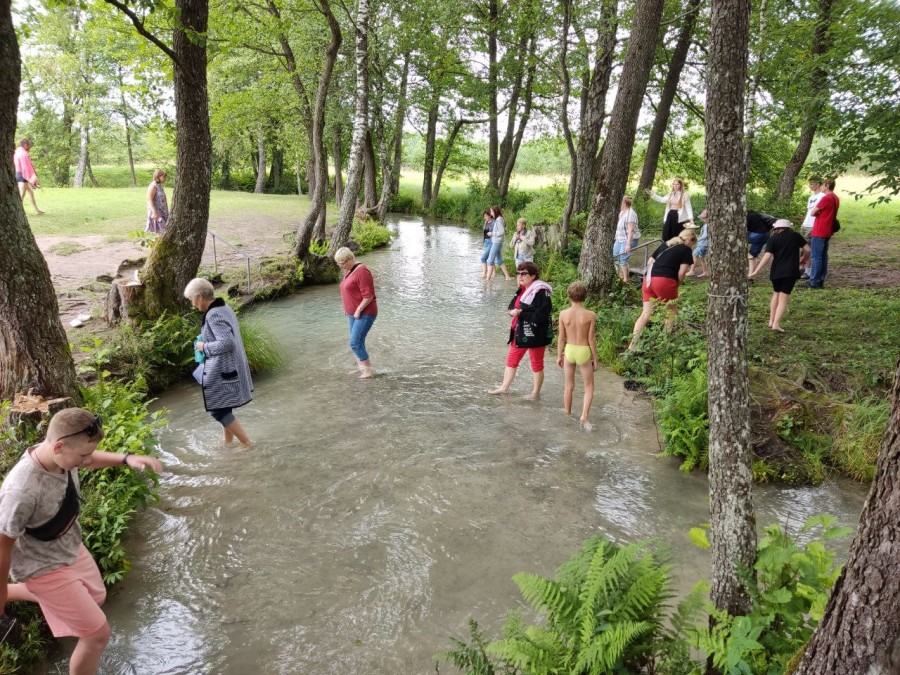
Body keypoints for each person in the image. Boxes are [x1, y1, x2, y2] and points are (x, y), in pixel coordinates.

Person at [0, 408, 163, 675]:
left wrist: (127, 458)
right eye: (83, 455)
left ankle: (25, 592)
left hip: (69, 545)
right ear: (59, 445)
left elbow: (89, 458)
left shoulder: (60, 453)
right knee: (97, 634)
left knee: (96, 597)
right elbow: (2, 548)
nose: (87, 461)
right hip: (41, 565)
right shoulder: (20, 491)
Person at [184, 278, 254, 445]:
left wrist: (203, 346)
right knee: (224, 407)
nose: (192, 305)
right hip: (230, 367)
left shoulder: (213, 314)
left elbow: (227, 343)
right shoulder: (224, 307)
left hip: (224, 369)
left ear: (199, 297)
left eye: (192, 300)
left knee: (218, 411)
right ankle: (227, 444)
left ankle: (247, 443)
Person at [489, 261, 553, 399]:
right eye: (518, 273)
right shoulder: (522, 289)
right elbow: (512, 305)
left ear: (533, 276)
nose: (520, 276)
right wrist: (511, 311)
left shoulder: (541, 292)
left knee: (536, 363)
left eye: (524, 274)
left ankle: (535, 393)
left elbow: (541, 315)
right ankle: (504, 387)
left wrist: (520, 313)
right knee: (512, 359)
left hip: (536, 333)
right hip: (519, 331)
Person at [628, 229, 697, 350]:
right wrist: (676, 284)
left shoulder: (666, 244)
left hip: (648, 280)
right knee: (671, 311)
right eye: (693, 243)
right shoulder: (686, 250)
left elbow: (649, 262)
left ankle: (631, 346)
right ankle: (664, 344)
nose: (692, 246)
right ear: (690, 240)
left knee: (645, 314)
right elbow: (681, 273)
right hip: (664, 280)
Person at [748, 219, 810, 332]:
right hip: (790, 272)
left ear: (776, 228)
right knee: (783, 298)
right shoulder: (795, 236)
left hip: (776, 271)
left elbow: (767, 257)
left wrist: (756, 271)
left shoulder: (772, 239)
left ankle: (771, 321)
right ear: (788, 228)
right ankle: (776, 324)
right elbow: (807, 249)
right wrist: (804, 258)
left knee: (776, 294)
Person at [557, 281, 598, 429]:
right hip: (583, 350)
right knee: (589, 386)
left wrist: (559, 355)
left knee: (568, 386)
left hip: (569, 350)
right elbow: (591, 338)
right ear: (585, 296)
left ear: (568, 296)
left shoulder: (563, 314)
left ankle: (567, 412)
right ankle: (584, 416)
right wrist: (595, 357)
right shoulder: (590, 315)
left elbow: (561, 338)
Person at [334, 247, 378, 378]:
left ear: (350, 259)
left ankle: (368, 371)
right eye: (338, 263)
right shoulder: (348, 270)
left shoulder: (362, 272)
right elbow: (347, 290)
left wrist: (358, 310)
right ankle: (362, 368)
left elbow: (368, 296)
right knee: (359, 341)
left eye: (342, 263)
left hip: (365, 313)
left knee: (354, 343)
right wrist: (346, 308)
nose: (340, 266)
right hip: (352, 313)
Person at [808, 178, 839, 289]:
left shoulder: (826, 198)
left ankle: (814, 281)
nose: (820, 186)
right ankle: (820, 279)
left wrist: (817, 212)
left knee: (816, 257)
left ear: (827, 185)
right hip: (827, 230)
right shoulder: (835, 197)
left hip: (819, 230)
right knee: (823, 256)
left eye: (822, 185)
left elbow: (812, 212)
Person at [613, 196, 641, 284]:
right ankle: (622, 275)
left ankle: (625, 280)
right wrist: (616, 237)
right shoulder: (622, 213)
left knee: (623, 258)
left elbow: (631, 230)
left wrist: (628, 244)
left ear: (624, 203)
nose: (619, 204)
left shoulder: (631, 214)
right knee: (615, 255)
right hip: (620, 239)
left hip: (629, 240)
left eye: (620, 202)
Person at [800, 178, 823, 279]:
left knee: (808, 249)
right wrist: (803, 222)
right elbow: (809, 211)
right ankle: (802, 268)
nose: (810, 186)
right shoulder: (811, 197)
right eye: (809, 184)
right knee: (802, 248)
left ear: (818, 184)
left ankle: (808, 271)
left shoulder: (822, 196)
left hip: (813, 225)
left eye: (812, 184)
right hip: (805, 225)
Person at [13, 139, 43, 215]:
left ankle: (37, 210)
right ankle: (18, 213)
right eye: (30, 145)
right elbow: (26, 168)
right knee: (21, 195)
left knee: (30, 192)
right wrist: (33, 178)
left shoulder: (18, 151)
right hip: (22, 175)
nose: (30, 147)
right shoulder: (24, 154)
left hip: (19, 174)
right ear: (26, 145)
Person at [746, 210, 777, 274]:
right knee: (752, 255)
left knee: (735, 240)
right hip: (766, 235)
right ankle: (751, 276)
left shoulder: (745, 216)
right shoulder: (754, 213)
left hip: (757, 235)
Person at [485, 205, 511, 281]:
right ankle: (507, 277)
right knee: (499, 260)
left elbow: (502, 232)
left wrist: (492, 233)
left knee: (490, 260)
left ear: (495, 211)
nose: (490, 212)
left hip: (497, 242)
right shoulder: (498, 219)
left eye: (491, 211)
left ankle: (487, 280)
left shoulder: (499, 220)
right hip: (497, 241)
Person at [146, 169, 169, 234]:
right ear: (158, 177)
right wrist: (154, 212)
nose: (165, 178)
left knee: (162, 232)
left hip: (163, 211)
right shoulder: (153, 186)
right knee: (160, 231)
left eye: (165, 177)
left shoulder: (159, 186)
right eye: (163, 177)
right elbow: (150, 200)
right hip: (157, 212)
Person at [692, 210, 709, 277]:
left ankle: (691, 271)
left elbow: (705, 235)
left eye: (703, 218)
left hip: (703, 244)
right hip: (705, 244)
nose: (702, 219)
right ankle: (705, 272)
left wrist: (698, 239)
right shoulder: (707, 225)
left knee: (694, 254)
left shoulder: (706, 225)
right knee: (702, 258)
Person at [479, 209, 494, 278]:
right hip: (486, 242)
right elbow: (484, 232)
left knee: (483, 258)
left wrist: (492, 234)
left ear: (490, 215)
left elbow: (497, 233)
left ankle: (484, 273)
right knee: (490, 257)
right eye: (484, 216)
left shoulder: (493, 223)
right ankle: (494, 273)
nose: (485, 218)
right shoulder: (486, 222)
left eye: (486, 216)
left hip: (491, 242)